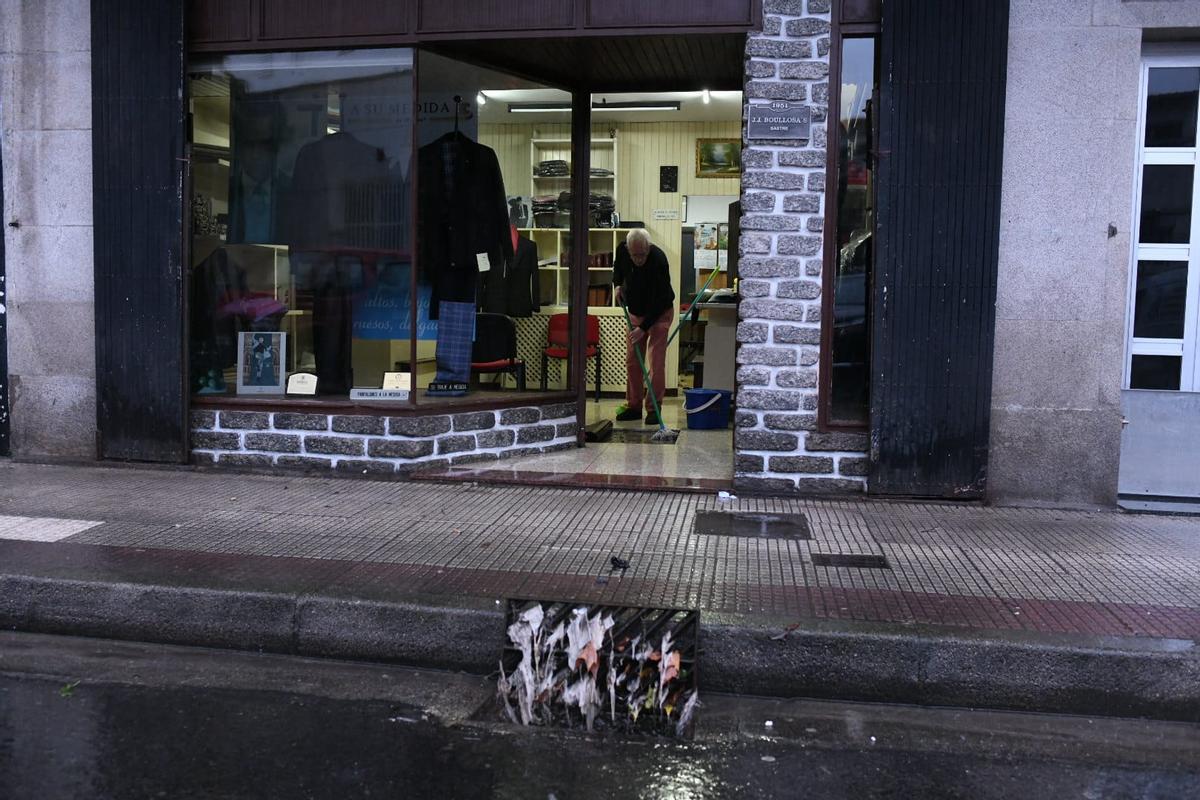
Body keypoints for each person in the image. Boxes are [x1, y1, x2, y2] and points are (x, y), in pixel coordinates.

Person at [613, 229, 675, 425]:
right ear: (628, 249)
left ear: (648, 248)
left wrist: (643, 328)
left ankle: (653, 409)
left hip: (659, 314)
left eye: (642, 255)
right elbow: (617, 269)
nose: (638, 259)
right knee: (632, 361)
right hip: (635, 312)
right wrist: (617, 285)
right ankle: (633, 406)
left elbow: (661, 299)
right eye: (634, 255)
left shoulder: (658, 260)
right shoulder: (623, 251)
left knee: (656, 363)